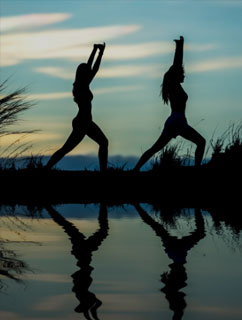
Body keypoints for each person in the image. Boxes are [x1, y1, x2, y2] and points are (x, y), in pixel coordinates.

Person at [134, 36, 206, 170]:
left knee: (154, 149)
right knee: (201, 142)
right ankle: (197, 168)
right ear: (177, 75)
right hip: (177, 121)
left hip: (176, 121)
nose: (184, 75)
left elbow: (177, 66)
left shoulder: (175, 86)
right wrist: (180, 47)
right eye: (182, 73)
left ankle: (135, 169)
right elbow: (177, 64)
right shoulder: (174, 86)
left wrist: (180, 46)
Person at [46, 43, 108, 170]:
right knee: (65, 149)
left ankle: (103, 170)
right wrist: (100, 53)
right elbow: (94, 68)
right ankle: (45, 168)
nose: (89, 72)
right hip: (82, 122)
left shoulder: (81, 84)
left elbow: (89, 66)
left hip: (85, 122)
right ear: (82, 74)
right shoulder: (82, 86)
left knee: (103, 142)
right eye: (86, 71)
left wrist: (95, 50)